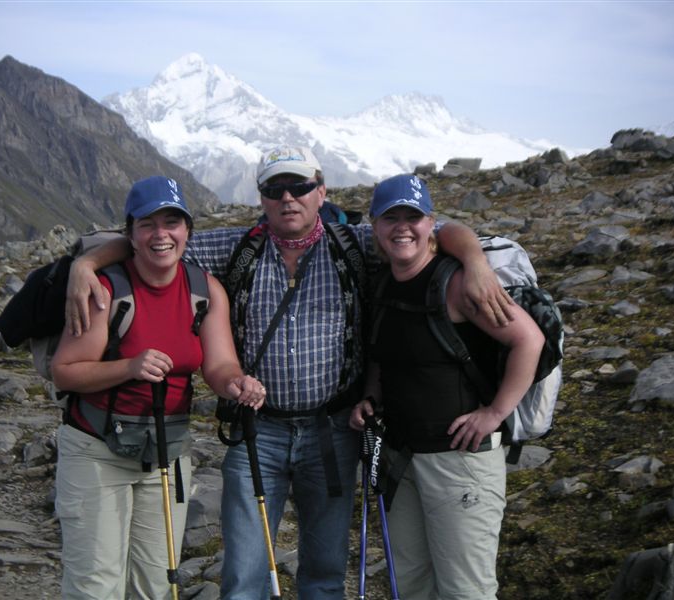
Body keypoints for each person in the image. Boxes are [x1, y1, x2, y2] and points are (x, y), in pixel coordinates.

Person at [65, 147, 516, 600]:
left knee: (324, 571)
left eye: (299, 186)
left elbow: (437, 231)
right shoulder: (235, 246)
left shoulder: (358, 242)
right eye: (274, 189)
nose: (288, 198)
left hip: (332, 429)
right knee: (244, 576)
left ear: (321, 191)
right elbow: (156, 242)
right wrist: (86, 264)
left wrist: (475, 260)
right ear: (261, 196)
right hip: (257, 430)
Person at [51, 175, 266, 600]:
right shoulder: (106, 289)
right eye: (147, 224)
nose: (161, 234)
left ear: (187, 230)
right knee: (96, 585)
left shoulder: (205, 290)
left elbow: (219, 364)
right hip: (96, 451)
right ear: (130, 234)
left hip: (167, 451)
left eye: (172, 222)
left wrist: (236, 384)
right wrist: (129, 367)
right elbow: (65, 371)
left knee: (156, 584)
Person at [350, 173, 545, 600]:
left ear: (430, 223)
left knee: (465, 591)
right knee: (409, 584)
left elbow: (529, 340)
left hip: (461, 462)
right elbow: (384, 355)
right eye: (391, 218)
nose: (402, 227)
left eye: (413, 217)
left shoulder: (456, 283)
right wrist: (371, 397)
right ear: (375, 226)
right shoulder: (383, 282)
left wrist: (495, 412)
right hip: (403, 456)